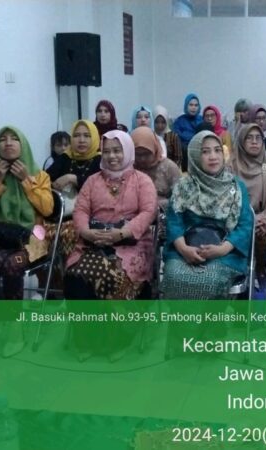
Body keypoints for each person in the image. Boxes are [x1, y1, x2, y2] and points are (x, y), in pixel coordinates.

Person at [63, 130, 157, 361]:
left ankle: (119, 339)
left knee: (113, 274)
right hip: (93, 241)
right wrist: (86, 232)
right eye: (107, 151)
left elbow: (148, 211)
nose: (112, 156)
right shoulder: (93, 181)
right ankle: (87, 339)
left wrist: (122, 233)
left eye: (117, 150)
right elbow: (81, 210)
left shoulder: (142, 181)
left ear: (128, 151)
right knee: (75, 274)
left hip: (132, 244)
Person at [161, 130, 254, 300]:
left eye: (217, 150)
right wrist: (184, 249)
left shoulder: (236, 187)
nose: (213, 157)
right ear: (195, 156)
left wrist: (222, 249)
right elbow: (174, 222)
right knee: (174, 277)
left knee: (210, 279)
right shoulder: (183, 186)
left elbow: (244, 225)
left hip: (225, 254)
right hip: (185, 252)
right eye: (205, 151)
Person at [0, 126, 54, 300]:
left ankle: (12, 314)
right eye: (2, 139)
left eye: (14, 139)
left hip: (33, 240)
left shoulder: (39, 175)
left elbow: (47, 209)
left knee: (13, 263)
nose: (8, 143)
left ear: (23, 144)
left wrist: (26, 180)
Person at [229, 124, 266, 293]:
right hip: (237, 219)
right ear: (241, 141)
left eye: (258, 138)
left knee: (261, 233)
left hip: (265, 221)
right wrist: (246, 220)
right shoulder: (231, 165)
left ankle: (261, 275)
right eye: (249, 138)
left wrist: (263, 219)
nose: (254, 142)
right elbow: (228, 199)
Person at [44, 120, 102, 256]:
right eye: (76, 135)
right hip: (62, 214)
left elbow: (99, 187)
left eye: (87, 136)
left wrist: (73, 178)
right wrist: (53, 184)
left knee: (72, 235)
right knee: (38, 232)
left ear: (94, 138)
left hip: (90, 215)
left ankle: (73, 266)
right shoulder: (66, 157)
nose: (81, 140)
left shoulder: (100, 160)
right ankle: (52, 268)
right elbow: (45, 178)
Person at [131, 126, 181, 210]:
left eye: (147, 154)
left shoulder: (169, 168)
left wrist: (158, 204)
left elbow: (180, 199)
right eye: (138, 154)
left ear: (155, 149)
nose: (142, 159)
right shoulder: (129, 168)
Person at [153, 105, 183, 171]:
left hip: (171, 171)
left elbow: (178, 158)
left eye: (163, 122)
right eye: (157, 122)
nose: (160, 125)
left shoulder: (173, 137)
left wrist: (170, 171)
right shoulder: (151, 136)